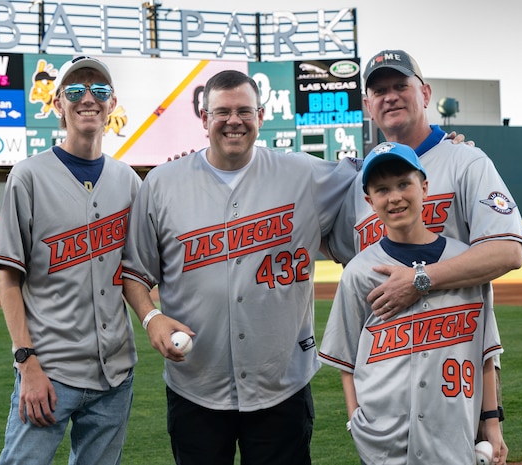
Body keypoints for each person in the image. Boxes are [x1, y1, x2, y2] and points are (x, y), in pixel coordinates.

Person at [121, 69, 361, 465]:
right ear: (204, 119)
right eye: (223, 112)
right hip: (195, 384)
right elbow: (134, 272)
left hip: (282, 382)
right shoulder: (162, 184)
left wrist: (441, 149)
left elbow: (379, 172)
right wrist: (151, 319)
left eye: (244, 111)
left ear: (261, 117)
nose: (234, 120)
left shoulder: (303, 173)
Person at [323, 49, 522, 427]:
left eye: (401, 85)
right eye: (380, 90)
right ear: (368, 105)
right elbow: (335, 247)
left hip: (455, 356)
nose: (391, 96)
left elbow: (508, 250)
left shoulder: (465, 161)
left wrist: (420, 281)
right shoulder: (359, 186)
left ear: (425, 94)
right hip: (388, 368)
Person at [0, 56, 141, 465]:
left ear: (112, 104)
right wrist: (26, 363)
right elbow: (8, 280)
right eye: (75, 91)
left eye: (99, 91)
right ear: (58, 104)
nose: (87, 99)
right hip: (49, 373)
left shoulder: (128, 180)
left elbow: (133, 272)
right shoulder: (28, 176)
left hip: (116, 375)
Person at [319, 141, 507, 465]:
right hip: (383, 443)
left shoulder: (464, 262)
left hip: (453, 438)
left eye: (404, 184)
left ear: (424, 187)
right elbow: (346, 362)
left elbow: (485, 354)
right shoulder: (360, 272)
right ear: (369, 200)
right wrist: (356, 421)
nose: (395, 197)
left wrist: (492, 423)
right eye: (382, 189)